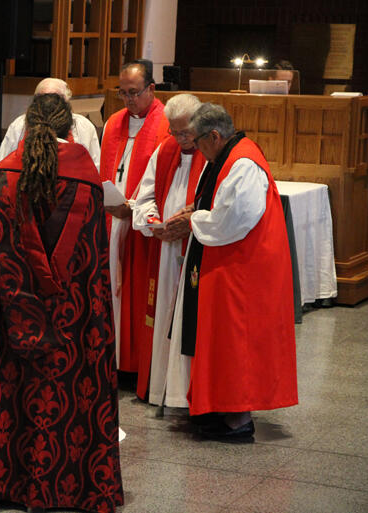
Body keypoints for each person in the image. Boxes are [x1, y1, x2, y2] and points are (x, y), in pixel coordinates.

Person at [0, 94, 123, 513]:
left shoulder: (4, 177)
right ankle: (64, 486)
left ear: (27, 127)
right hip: (72, 320)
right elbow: (92, 260)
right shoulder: (87, 181)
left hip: (5, 313)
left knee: (6, 397)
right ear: (70, 130)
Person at [170, 103, 298, 442]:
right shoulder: (228, 155)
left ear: (214, 135)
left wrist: (193, 220)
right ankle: (220, 410)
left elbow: (232, 219)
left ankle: (238, 420)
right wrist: (197, 209)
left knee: (236, 343)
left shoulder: (242, 162)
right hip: (231, 262)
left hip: (244, 268)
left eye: (198, 141)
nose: (197, 149)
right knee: (222, 342)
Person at [131, 93, 206, 406]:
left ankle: (186, 394)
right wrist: (152, 221)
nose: (180, 139)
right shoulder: (165, 150)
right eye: (174, 132)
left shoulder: (212, 154)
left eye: (185, 132)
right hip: (164, 251)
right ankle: (161, 389)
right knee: (162, 319)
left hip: (196, 251)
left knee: (190, 321)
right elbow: (144, 196)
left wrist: (191, 222)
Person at [99, 60, 169, 388]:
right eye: (122, 93)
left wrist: (135, 209)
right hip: (112, 220)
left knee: (137, 291)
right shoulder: (114, 123)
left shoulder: (166, 123)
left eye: (134, 93)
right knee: (110, 289)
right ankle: (110, 359)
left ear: (151, 89)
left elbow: (165, 179)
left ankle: (132, 363)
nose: (127, 100)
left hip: (141, 224)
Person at [0, 77, 100, 169]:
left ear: (67, 102)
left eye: (56, 99)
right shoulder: (19, 126)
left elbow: (95, 169)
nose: (48, 104)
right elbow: (3, 167)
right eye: (42, 98)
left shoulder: (84, 127)